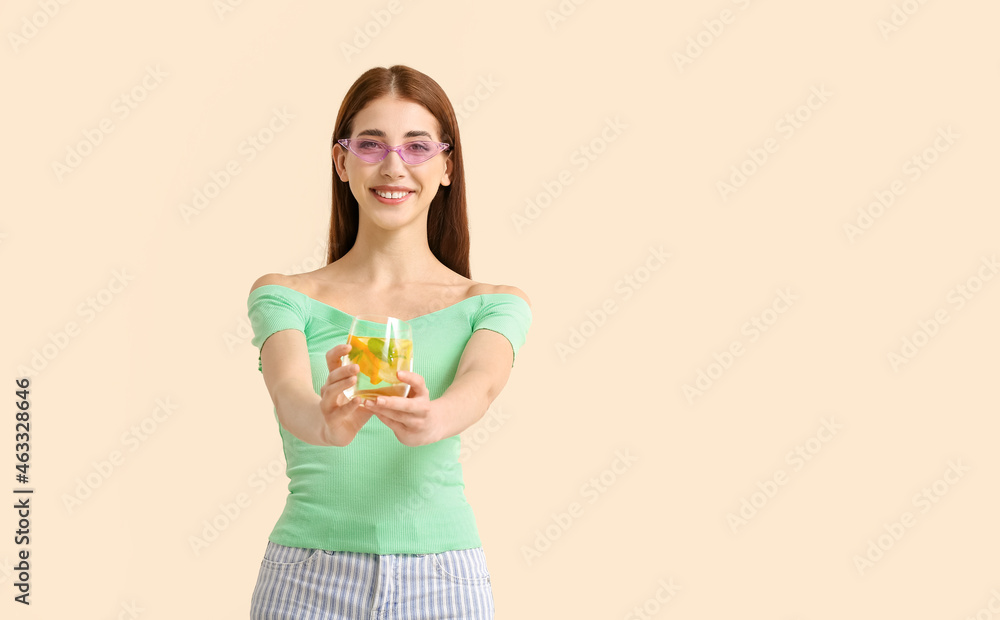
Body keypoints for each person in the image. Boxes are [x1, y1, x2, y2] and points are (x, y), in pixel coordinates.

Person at [245, 65, 532, 619]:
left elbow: (482, 382)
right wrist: (326, 422)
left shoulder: (494, 302)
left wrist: (435, 417)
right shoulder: (283, 296)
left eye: (418, 147)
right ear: (341, 161)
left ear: (447, 167)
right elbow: (289, 393)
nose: (394, 165)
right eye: (371, 145)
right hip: (308, 577)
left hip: (443, 578)